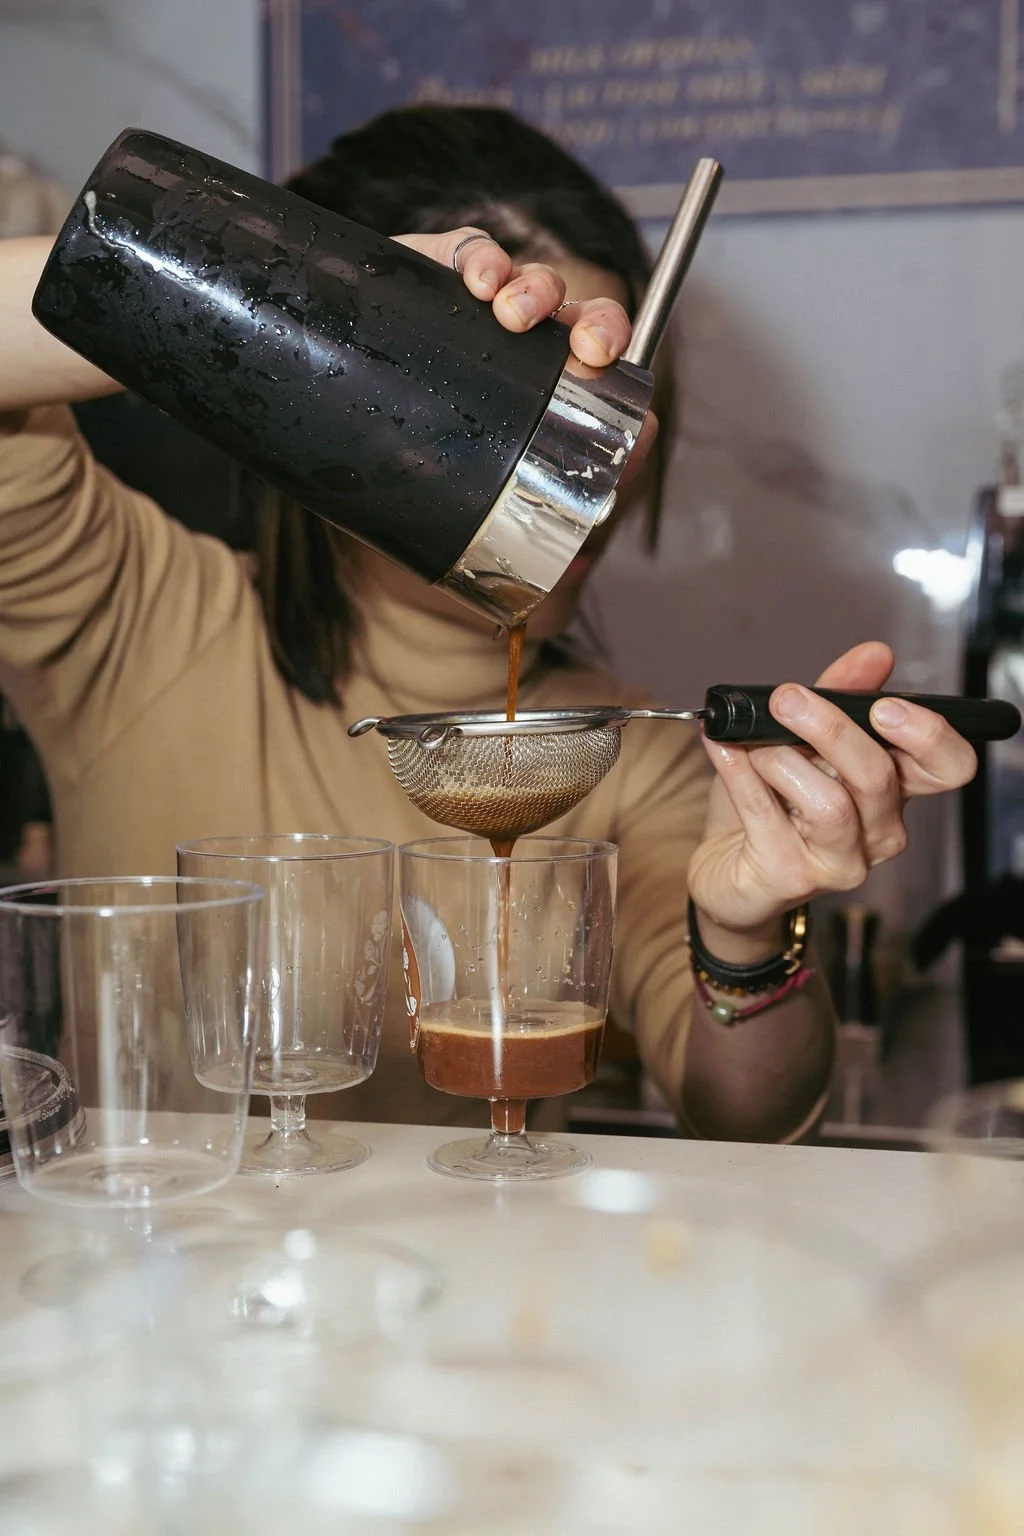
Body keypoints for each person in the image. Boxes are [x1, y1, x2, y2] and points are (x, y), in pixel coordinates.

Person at [0, 106, 976, 1140]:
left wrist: (746, 932)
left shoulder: (621, 751)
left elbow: (746, 1117)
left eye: (617, 401)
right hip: (157, 1267)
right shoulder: (129, 608)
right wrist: (299, 290)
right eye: (524, 398)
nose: (599, 470)